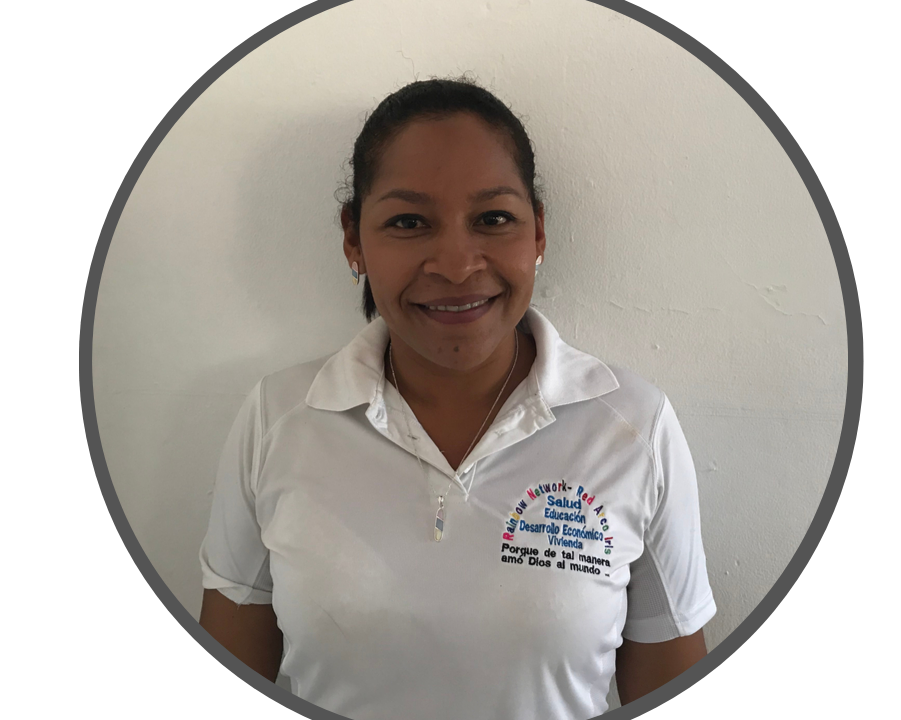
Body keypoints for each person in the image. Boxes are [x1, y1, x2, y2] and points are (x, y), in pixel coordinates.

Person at [198, 76, 716, 720]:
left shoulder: (632, 426)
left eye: (493, 219)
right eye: (409, 222)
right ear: (354, 239)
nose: (456, 263)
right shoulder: (279, 418)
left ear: (538, 232)